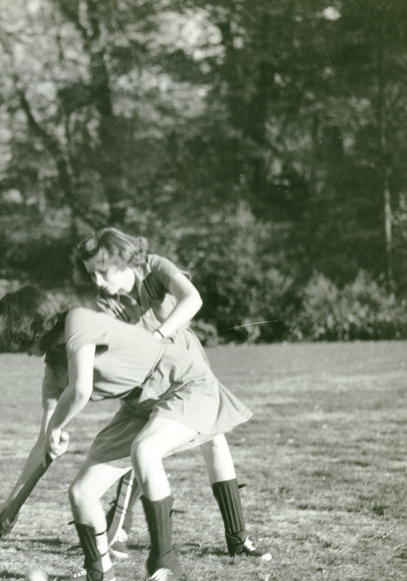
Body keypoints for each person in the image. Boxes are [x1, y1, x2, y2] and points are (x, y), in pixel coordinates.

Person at [0, 285, 253, 581]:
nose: (17, 346)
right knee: (81, 492)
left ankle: (165, 564)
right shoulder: (54, 369)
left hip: (181, 384)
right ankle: (100, 570)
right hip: (138, 407)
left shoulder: (78, 321)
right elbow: (42, 445)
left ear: (30, 328)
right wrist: (12, 505)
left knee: (145, 450)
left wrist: (57, 427)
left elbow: (81, 390)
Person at [73, 228, 271, 563]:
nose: (98, 281)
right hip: (150, 377)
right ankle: (119, 528)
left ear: (122, 259)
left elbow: (192, 299)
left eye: (102, 271)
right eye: (91, 273)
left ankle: (238, 540)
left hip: (189, 367)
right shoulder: (107, 302)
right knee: (145, 448)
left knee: (214, 441)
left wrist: (159, 333)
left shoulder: (155, 267)